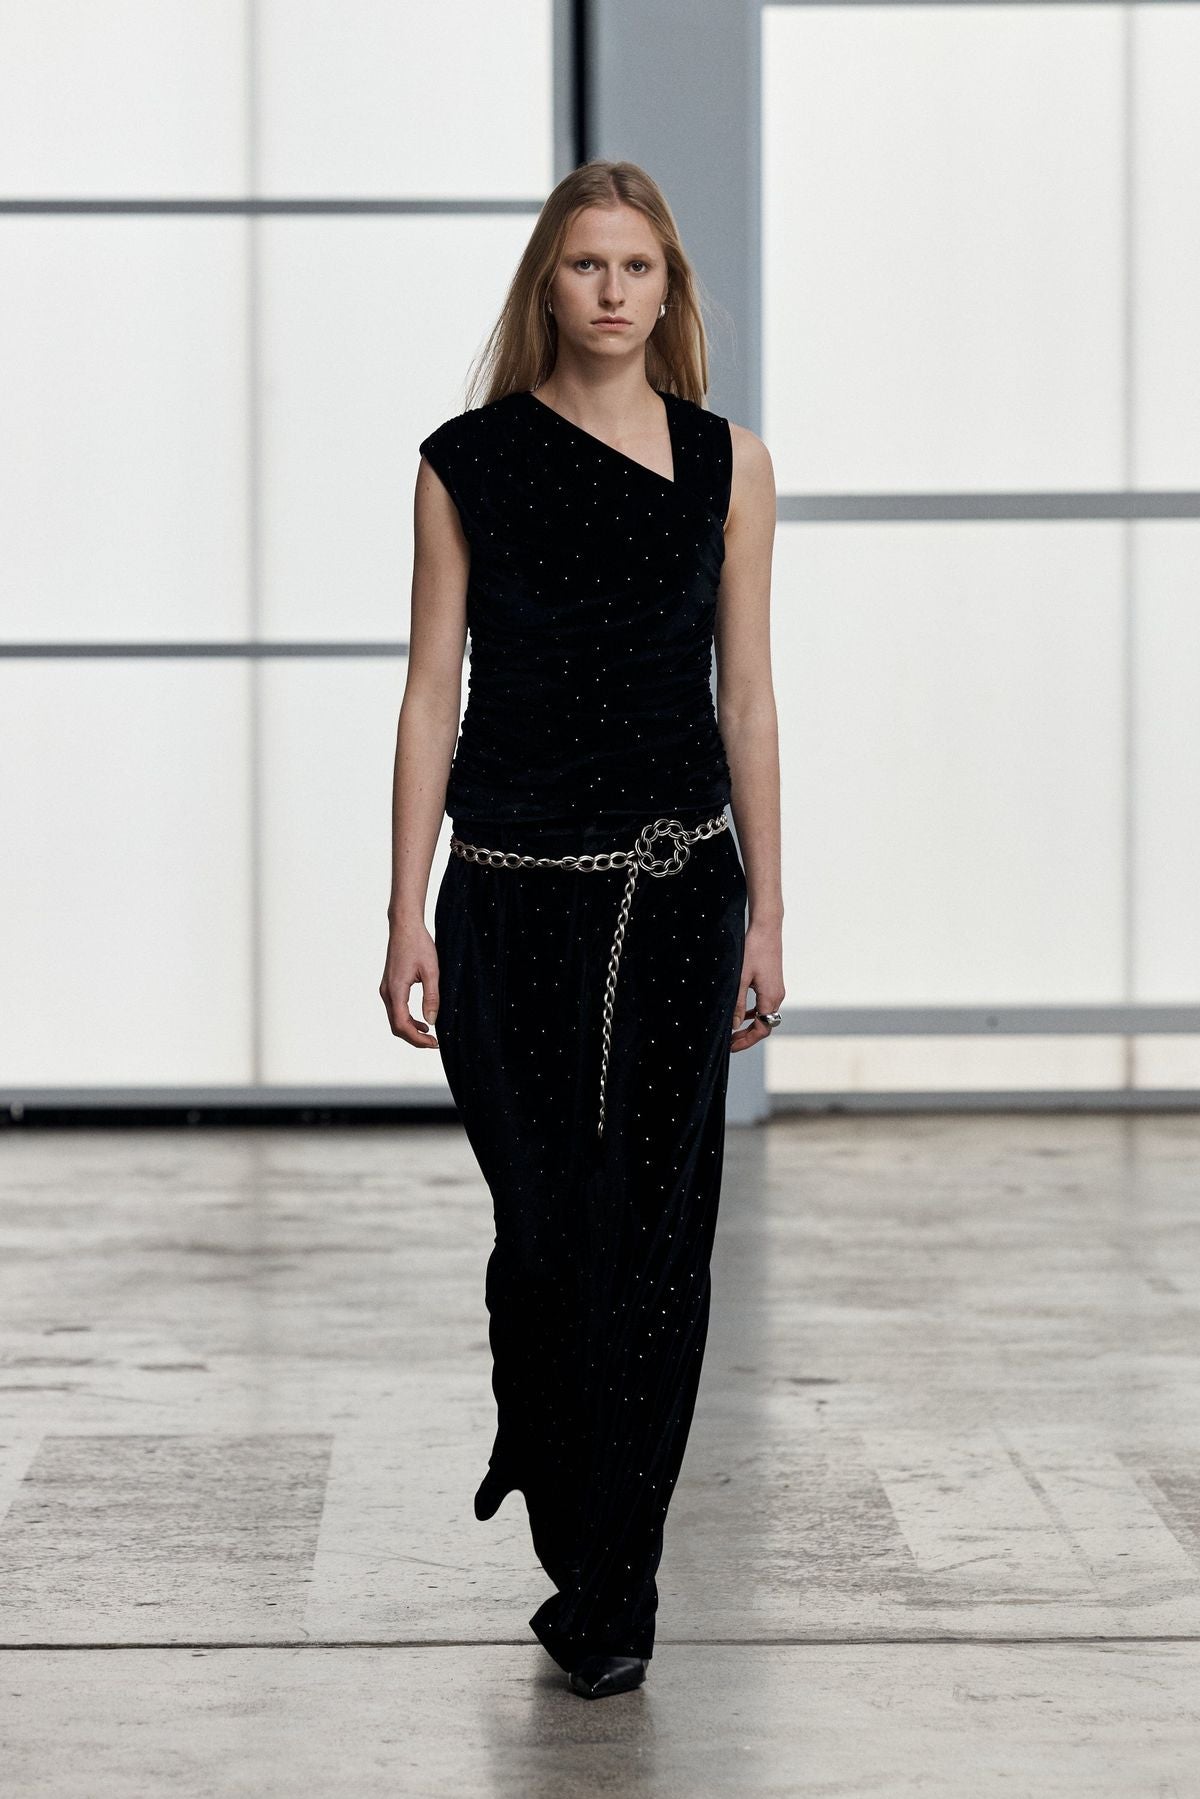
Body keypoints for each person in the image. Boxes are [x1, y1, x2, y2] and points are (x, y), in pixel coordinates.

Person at [380, 159, 783, 1700]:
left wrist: (770, 911)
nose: (613, 291)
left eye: (638, 267)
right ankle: (564, 1490)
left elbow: (747, 697)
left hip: (680, 893)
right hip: (509, 896)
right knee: (549, 1237)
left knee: (657, 1241)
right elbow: (432, 691)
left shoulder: (730, 464)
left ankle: (615, 1592)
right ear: (546, 287)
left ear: (668, 291)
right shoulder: (466, 462)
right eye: (585, 264)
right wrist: (405, 908)